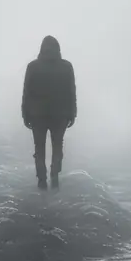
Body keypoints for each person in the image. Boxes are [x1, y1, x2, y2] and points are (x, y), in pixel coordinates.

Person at [22, 36, 77, 190]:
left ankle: (41, 180)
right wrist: (73, 113)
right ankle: (55, 176)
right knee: (57, 146)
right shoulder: (66, 66)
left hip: (37, 114)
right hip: (60, 115)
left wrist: (25, 114)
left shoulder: (33, 66)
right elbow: (71, 92)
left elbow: (27, 92)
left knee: (39, 148)